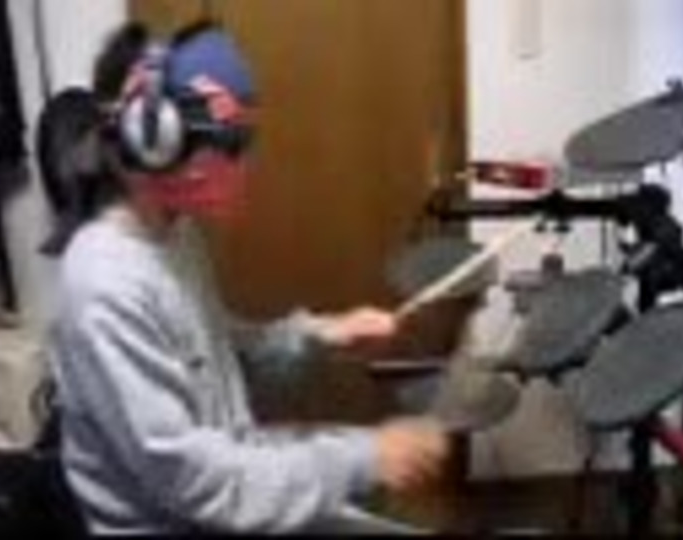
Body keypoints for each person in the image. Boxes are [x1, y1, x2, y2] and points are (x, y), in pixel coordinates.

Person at [47, 20, 449, 536]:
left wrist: (319, 335)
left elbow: (216, 354)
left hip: (222, 504)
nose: (237, 160)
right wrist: (365, 458)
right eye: (224, 140)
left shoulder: (173, 233)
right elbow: (192, 480)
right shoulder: (105, 285)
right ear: (151, 140)